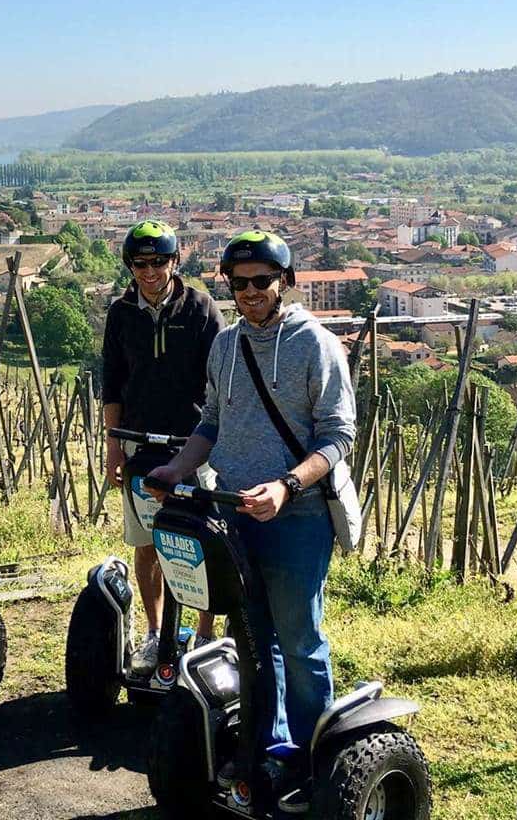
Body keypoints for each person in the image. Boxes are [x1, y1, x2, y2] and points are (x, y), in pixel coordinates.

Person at [148, 230, 355, 814]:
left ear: (284, 282)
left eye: (262, 281)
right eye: (239, 284)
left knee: (298, 639)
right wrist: (176, 467)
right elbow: (211, 422)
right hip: (232, 512)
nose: (250, 292)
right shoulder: (225, 345)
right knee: (252, 638)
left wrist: (288, 486)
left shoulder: (315, 346)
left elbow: (338, 436)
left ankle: (320, 762)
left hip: (298, 516)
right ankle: (271, 747)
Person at [102, 219, 225, 675]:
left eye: (158, 262)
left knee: (199, 540)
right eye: (140, 263)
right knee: (148, 543)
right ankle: (156, 634)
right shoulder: (121, 313)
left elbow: (218, 382)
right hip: (138, 444)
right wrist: (115, 447)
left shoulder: (202, 309)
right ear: (130, 266)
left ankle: (206, 634)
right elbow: (111, 383)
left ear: (175, 262)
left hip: (192, 445)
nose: (149, 271)